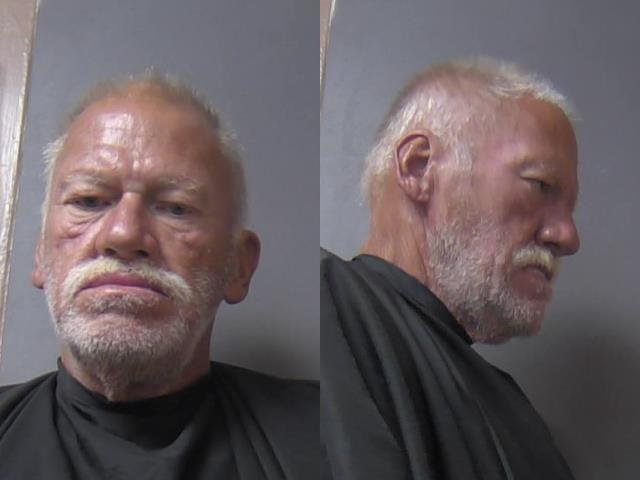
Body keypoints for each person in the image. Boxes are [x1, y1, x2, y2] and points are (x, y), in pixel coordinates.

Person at [0, 73, 318, 479]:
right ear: (41, 254)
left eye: (176, 208)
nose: (124, 234)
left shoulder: (331, 438)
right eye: (89, 200)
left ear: (239, 266)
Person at [321, 58, 579, 479]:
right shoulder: (331, 304)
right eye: (540, 185)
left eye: (570, 209)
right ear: (419, 167)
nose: (567, 236)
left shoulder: (512, 407)